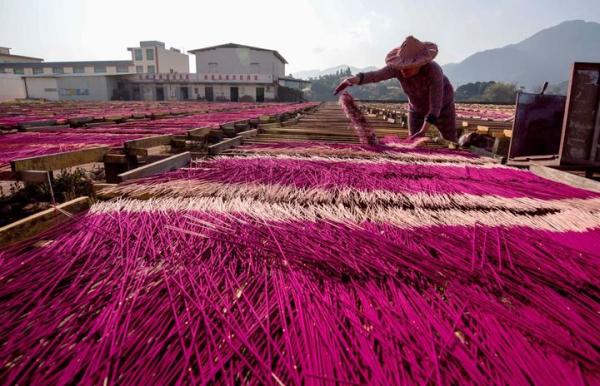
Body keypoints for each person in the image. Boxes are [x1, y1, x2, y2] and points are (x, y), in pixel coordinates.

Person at [334, 36, 457, 142]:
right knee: (414, 141)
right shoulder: (397, 68)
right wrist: (351, 80)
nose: (403, 69)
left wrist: (424, 130)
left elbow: (435, 106)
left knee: (451, 142)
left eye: (409, 67)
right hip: (416, 110)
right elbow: (375, 76)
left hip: (443, 108)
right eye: (402, 66)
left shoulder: (433, 71)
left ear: (420, 64)